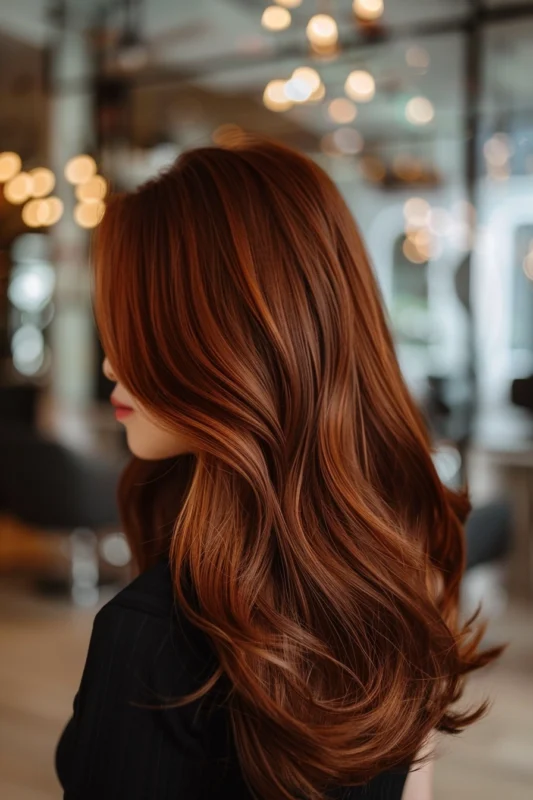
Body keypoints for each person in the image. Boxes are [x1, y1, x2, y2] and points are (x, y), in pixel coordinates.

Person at [55, 137, 502, 800]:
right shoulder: (399, 573)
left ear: (229, 342)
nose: (110, 365)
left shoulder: (153, 641)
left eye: (135, 329)